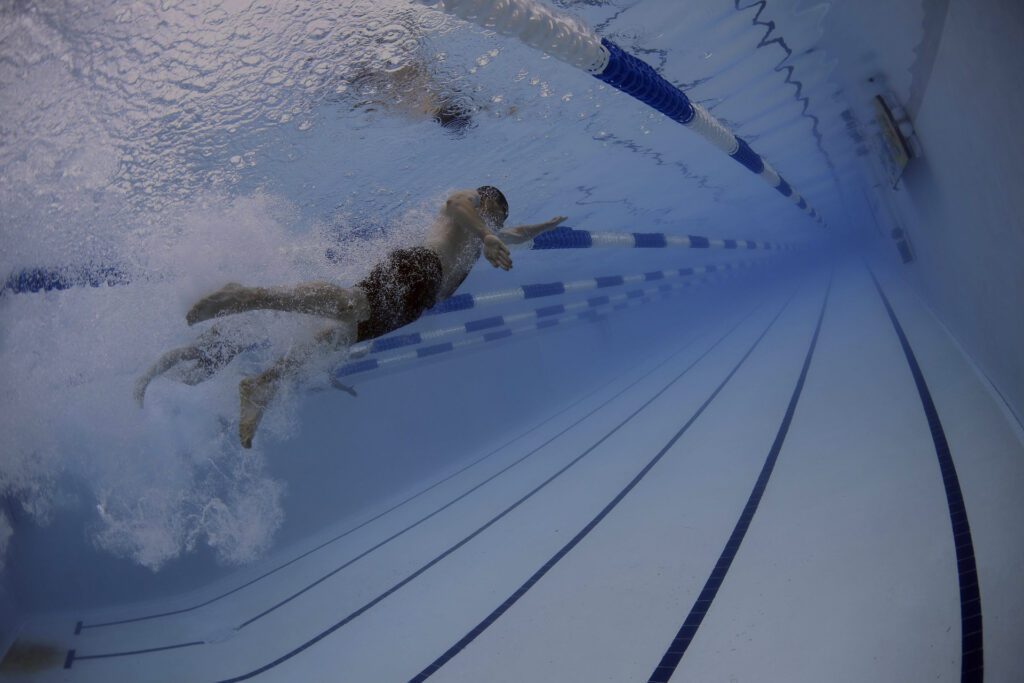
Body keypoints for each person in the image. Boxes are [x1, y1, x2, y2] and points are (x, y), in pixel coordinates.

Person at [161, 186, 566, 448]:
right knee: (349, 305)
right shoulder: (468, 207)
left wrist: (542, 227)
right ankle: (246, 296)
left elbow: (515, 233)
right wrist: (487, 233)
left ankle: (262, 384)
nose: (492, 225)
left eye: (495, 221)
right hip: (418, 267)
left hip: (415, 304)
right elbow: (455, 204)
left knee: (338, 336)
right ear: (483, 202)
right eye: (490, 215)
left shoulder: (485, 237)